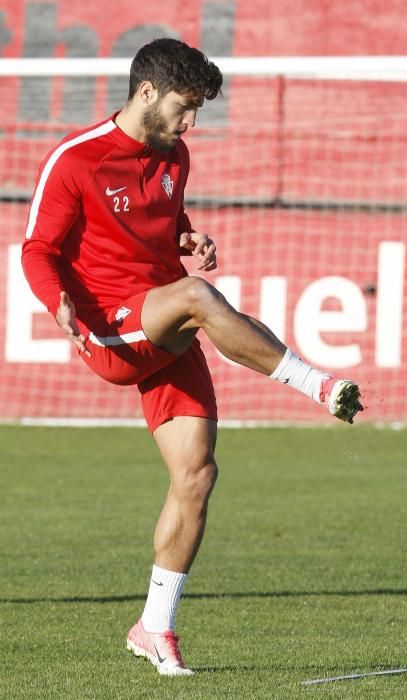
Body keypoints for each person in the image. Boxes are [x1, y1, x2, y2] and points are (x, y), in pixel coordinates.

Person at [21, 38, 363, 676]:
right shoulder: (75, 159)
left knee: (197, 476)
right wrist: (55, 304)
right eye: (185, 107)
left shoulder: (174, 155)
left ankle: (154, 627)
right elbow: (36, 247)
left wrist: (187, 235)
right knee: (202, 299)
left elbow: (163, 219)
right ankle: (314, 384)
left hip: (164, 320)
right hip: (111, 329)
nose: (192, 123)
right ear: (146, 93)